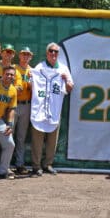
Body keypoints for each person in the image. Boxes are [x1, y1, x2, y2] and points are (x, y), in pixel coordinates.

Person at [29, 43, 74, 176]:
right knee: (37, 140)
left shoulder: (63, 69)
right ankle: (36, 166)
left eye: (56, 52)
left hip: (54, 109)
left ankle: (48, 164)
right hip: (40, 108)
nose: (53, 54)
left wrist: (66, 81)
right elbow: (31, 86)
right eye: (51, 51)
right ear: (47, 53)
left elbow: (70, 88)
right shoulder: (39, 67)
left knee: (52, 141)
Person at [13, 46, 34, 174]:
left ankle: (19, 164)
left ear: (31, 57)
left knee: (21, 136)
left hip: (26, 105)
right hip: (13, 104)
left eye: (28, 55)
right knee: (8, 134)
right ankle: (1, 163)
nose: (25, 56)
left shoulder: (33, 71)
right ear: (19, 56)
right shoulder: (14, 68)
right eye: (23, 54)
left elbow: (35, 90)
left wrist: (32, 83)